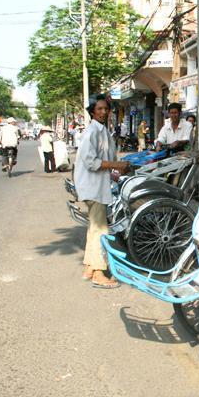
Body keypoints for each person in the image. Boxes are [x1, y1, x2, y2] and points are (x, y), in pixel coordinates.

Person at [73, 96, 130, 289]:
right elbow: (91, 162)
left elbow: (105, 159)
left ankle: (89, 267)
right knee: (100, 230)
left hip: (98, 185)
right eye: (99, 109)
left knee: (94, 228)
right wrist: (116, 165)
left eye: (106, 109)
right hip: (92, 187)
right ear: (92, 111)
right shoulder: (92, 132)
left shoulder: (103, 131)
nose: (103, 112)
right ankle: (98, 272)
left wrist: (115, 171)